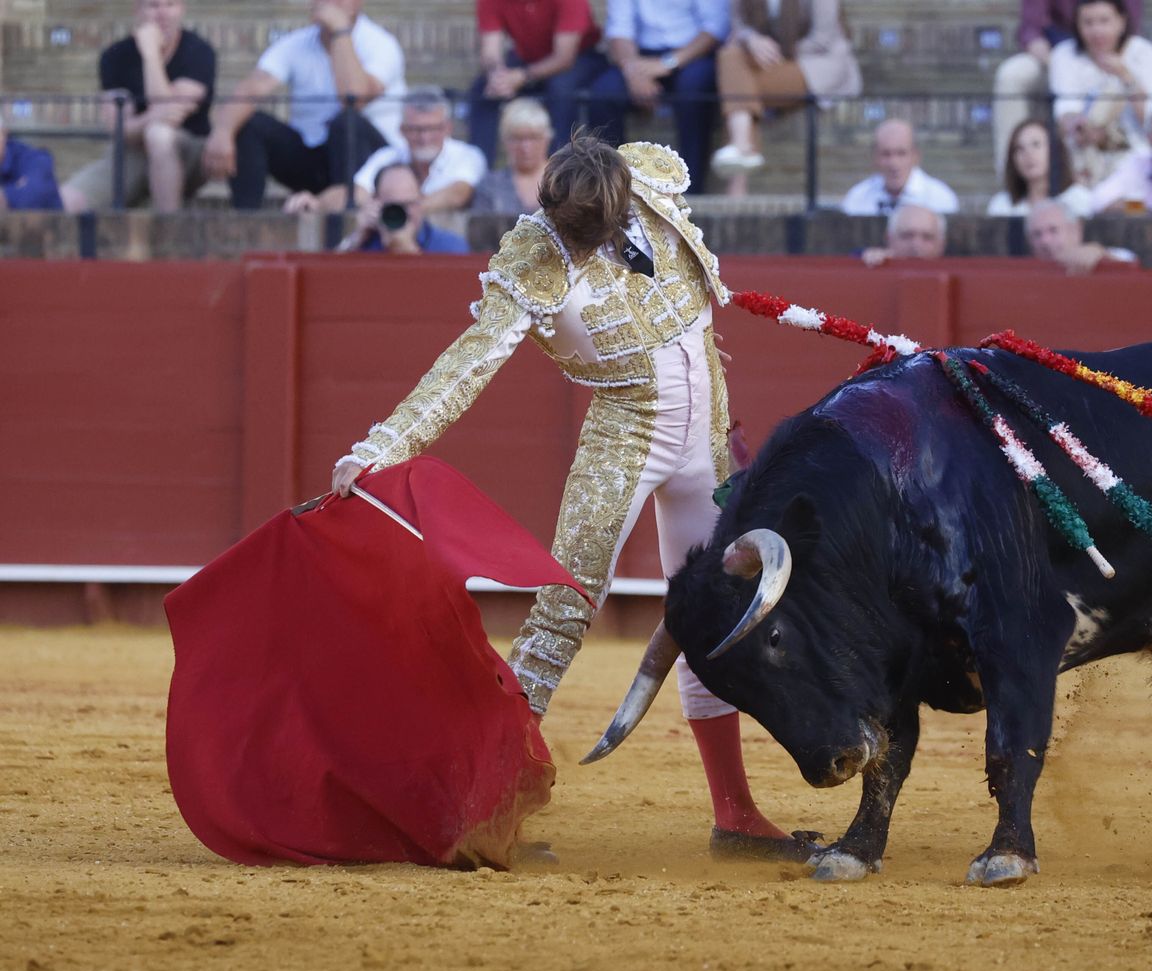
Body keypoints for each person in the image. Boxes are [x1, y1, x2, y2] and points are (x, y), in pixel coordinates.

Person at [330, 136, 814, 862]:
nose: (592, 242)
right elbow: (467, 365)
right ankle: (484, 813)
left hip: (708, 438)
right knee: (562, 612)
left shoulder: (647, 182)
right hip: (626, 437)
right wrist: (381, 447)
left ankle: (736, 813)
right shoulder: (535, 255)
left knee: (715, 617)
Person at [204, 0, 406, 210]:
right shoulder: (296, 43)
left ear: (357, 3)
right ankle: (245, 223)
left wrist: (340, 32)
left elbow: (353, 98)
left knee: (346, 122)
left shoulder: (381, 45)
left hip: (371, 167)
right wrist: (222, 131)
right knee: (248, 123)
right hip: (315, 160)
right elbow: (252, 88)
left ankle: (346, 218)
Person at [59, 0, 215, 213]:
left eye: (170, 5)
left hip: (188, 151)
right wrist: (155, 117)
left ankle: (169, 232)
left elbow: (169, 119)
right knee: (66, 200)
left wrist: (150, 56)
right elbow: (120, 128)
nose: (162, 13)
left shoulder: (199, 51)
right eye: (153, 5)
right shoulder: (115, 56)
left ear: (182, 8)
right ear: (137, 10)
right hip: (131, 154)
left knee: (159, 135)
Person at [710, 0, 861, 197]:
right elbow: (739, 26)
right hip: (770, 66)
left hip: (819, 64)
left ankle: (738, 171)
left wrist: (772, 54)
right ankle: (741, 149)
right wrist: (752, 40)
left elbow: (822, 40)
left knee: (739, 83)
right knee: (733, 64)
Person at [587, 0, 729, 195]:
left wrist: (668, 63)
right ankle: (611, 189)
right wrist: (633, 71)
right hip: (639, 56)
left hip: (692, 54)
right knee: (603, 94)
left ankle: (692, 191)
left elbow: (715, 28)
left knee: (694, 91)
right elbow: (619, 30)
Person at [992, 0, 1145, 178]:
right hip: (1055, 53)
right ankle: (1011, 177)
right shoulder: (1063, 57)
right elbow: (1030, 29)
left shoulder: (1139, 49)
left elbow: (1129, 22)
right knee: (1012, 75)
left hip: (1112, 52)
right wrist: (1059, 63)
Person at [294, 87, 487, 215]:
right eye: (416, 129)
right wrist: (315, 202)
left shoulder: (468, 156)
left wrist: (399, 211)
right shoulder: (387, 156)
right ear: (402, 129)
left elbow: (459, 194)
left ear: (447, 128)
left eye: (432, 129)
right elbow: (357, 193)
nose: (424, 137)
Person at [467, 0, 611, 166]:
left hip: (581, 58)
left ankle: (558, 172)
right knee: (483, 89)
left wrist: (522, 76)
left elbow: (564, 58)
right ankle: (478, 172)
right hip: (528, 59)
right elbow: (490, 52)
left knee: (561, 88)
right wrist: (496, 76)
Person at [1049, 0, 1152, 188]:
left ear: (1122, 21)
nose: (1097, 31)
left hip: (1135, 154)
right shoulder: (1064, 54)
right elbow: (1064, 111)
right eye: (1088, 23)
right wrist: (1078, 127)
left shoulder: (1144, 52)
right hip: (1084, 155)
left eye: (1104, 21)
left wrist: (1125, 76)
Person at [342, 162, 472, 254]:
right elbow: (332, 282)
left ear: (421, 200)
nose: (402, 212)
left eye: (408, 204)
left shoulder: (451, 247)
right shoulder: (364, 243)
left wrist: (409, 251)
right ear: (376, 202)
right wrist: (356, 239)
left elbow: (451, 290)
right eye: (393, 206)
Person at [839, 119, 960, 216]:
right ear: (875, 157)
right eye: (886, 154)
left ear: (915, 156)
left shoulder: (940, 198)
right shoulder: (856, 198)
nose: (894, 163)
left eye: (901, 153)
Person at [987, 118, 1092, 217]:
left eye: (1036, 145)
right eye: (1019, 148)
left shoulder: (1079, 201)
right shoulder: (1001, 206)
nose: (1028, 154)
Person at [472, 98, 553, 214]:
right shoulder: (490, 185)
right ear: (505, 141)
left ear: (547, 139)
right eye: (518, 138)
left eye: (534, 137)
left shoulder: (562, 183)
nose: (526, 147)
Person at [1025, 198, 1136, 273]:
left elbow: (1130, 267)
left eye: (1053, 230)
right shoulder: (1026, 273)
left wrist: (1101, 255)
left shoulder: (1113, 254)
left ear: (1075, 231)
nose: (1045, 241)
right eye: (1037, 234)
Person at [0, 112, 64, 211]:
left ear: (5, 132)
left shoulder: (36, 160)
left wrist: (6, 197)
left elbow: (34, 193)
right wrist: (14, 191)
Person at [861, 202, 947, 267]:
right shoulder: (874, 262)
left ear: (941, 244)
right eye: (907, 236)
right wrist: (868, 259)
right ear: (889, 239)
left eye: (927, 237)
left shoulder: (958, 268)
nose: (916, 245)